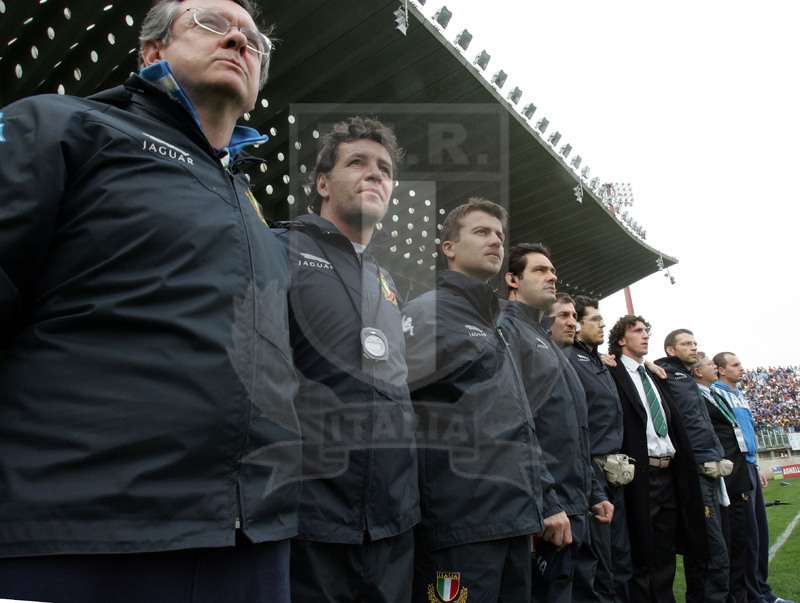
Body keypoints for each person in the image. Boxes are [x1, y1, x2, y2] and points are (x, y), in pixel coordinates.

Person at [0, 0, 300, 600]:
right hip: (77, 535)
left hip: (249, 548)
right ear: (153, 51)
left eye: (252, 39)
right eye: (213, 24)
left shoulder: (256, 219)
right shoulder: (59, 127)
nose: (239, 41)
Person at [271, 117, 419, 602]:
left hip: (392, 524)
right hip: (309, 521)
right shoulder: (280, 248)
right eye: (357, 162)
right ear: (321, 183)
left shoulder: (388, 283)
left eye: (385, 168)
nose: (374, 174)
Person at [403, 199, 560, 603]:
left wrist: (540, 498)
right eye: (481, 232)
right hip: (459, 523)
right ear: (449, 248)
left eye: (500, 235)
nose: (495, 241)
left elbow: (515, 420)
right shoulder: (427, 314)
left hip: (510, 520)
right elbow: (396, 410)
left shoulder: (494, 327)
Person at [503, 248, 610, 603]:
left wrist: (593, 492)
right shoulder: (507, 331)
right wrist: (546, 501)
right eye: (540, 270)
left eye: (553, 270)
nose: (552, 276)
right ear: (513, 280)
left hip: (575, 505)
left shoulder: (551, 349)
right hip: (548, 510)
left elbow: (575, 433)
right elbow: (515, 424)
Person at [606, 315, 708, 602]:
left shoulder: (653, 374)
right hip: (640, 475)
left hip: (669, 473)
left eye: (646, 331)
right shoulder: (611, 371)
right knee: (641, 553)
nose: (645, 335)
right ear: (622, 340)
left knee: (664, 554)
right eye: (637, 331)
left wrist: (649, 366)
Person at [712, 353, 795, 603]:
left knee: (759, 532)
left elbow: (747, 437)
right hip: (736, 469)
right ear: (720, 370)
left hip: (749, 465)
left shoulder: (741, 396)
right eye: (735, 365)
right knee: (746, 534)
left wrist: (755, 465)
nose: (741, 368)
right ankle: (752, 593)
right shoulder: (718, 395)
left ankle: (763, 589)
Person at [654, 330, 729, 603]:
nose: (693, 347)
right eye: (686, 343)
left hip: (710, 467)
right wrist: (651, 364)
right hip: (692, 468)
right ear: (671, 350)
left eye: (695, 343)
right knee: (712, 549)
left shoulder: (688, 379)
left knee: (711, 547)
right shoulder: (663, 372)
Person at [569, 295, 633, 603]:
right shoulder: (567, 357)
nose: (603, 324)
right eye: (595, 319)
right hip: (590, 471)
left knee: (620, 558)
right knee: (599, 564)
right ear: (576, 324)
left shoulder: (601, 361)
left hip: (614, 472)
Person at [693, 352, 751, 603]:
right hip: (719, 477)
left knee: (739, 543)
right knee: (722, 545)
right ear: (697, 371)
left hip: (735, 475)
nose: (714, 369)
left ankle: (739, 594)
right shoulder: (694, 397)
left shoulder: (715, 395)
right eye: (708, 365)